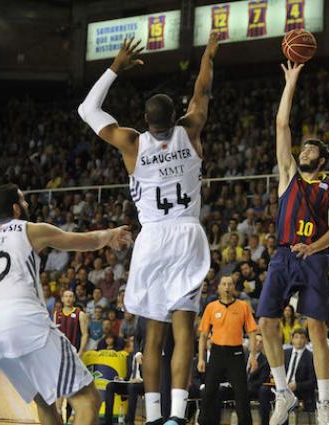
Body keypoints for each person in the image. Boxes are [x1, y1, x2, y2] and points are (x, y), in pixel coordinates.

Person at [78, 35, 219, 425]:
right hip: (187, 234)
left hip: (153, 237)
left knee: (152, 336)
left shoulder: (131, 143)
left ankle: (154, 415)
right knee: (184, 330)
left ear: (145, 121)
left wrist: (115, 68)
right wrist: (207, 56)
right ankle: (176, 415)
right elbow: (202, 90)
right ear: (175, 117)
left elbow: (87, 109)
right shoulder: (191, 130)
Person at [0, 183, 131, 425]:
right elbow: (83, 241)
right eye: (23, 201)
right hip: (24, 320)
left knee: (44, 402)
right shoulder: (29, 229)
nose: (27, 205)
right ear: (15, 208)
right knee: (88, 400)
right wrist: (110, 235)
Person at [256, 60, 329, 425]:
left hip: (314, 257)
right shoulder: (288, 175)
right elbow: (281, 124)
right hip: (283, 254)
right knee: (265, 323)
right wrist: (290, 82)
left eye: (310, 150)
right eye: (302, 148)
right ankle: (283, 392)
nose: (304, 151)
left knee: (316, 329)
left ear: (321, 159)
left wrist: (313, 247)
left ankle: (324, 403)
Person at [198, 276, 259, 425]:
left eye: (230, 284)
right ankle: (204, 422)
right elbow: (203, 335)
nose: (227, 287)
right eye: (224, 284)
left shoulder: (243, 306)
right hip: (217, 353)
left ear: (234, 287)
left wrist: (252, 356)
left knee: (241, 394)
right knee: (209, 392)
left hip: (236, 354)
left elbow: (252, 332)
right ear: (218, 287)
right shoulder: (211, 307)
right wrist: (201, 358)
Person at [258, 329, 316, 425]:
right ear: (292, 339)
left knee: (286, 400)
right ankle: (264, 422)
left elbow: (312, 382)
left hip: (298, 390)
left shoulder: (311, 357)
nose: (299, 340)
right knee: (264, 390)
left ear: (306, 340)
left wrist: (296, 385)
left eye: (302, 337)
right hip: (281, 386)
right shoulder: (284, 352)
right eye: (296, 337)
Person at [54, 289, 89, 356]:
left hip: (75, 350)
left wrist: (81, 352)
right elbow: (55, 334)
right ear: (62, 299)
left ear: (74, 299)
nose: (68, 299)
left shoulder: (80, 314)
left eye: (70, 296)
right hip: (60, 350)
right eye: (66, 296)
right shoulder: (56, 314)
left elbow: (85, 334)